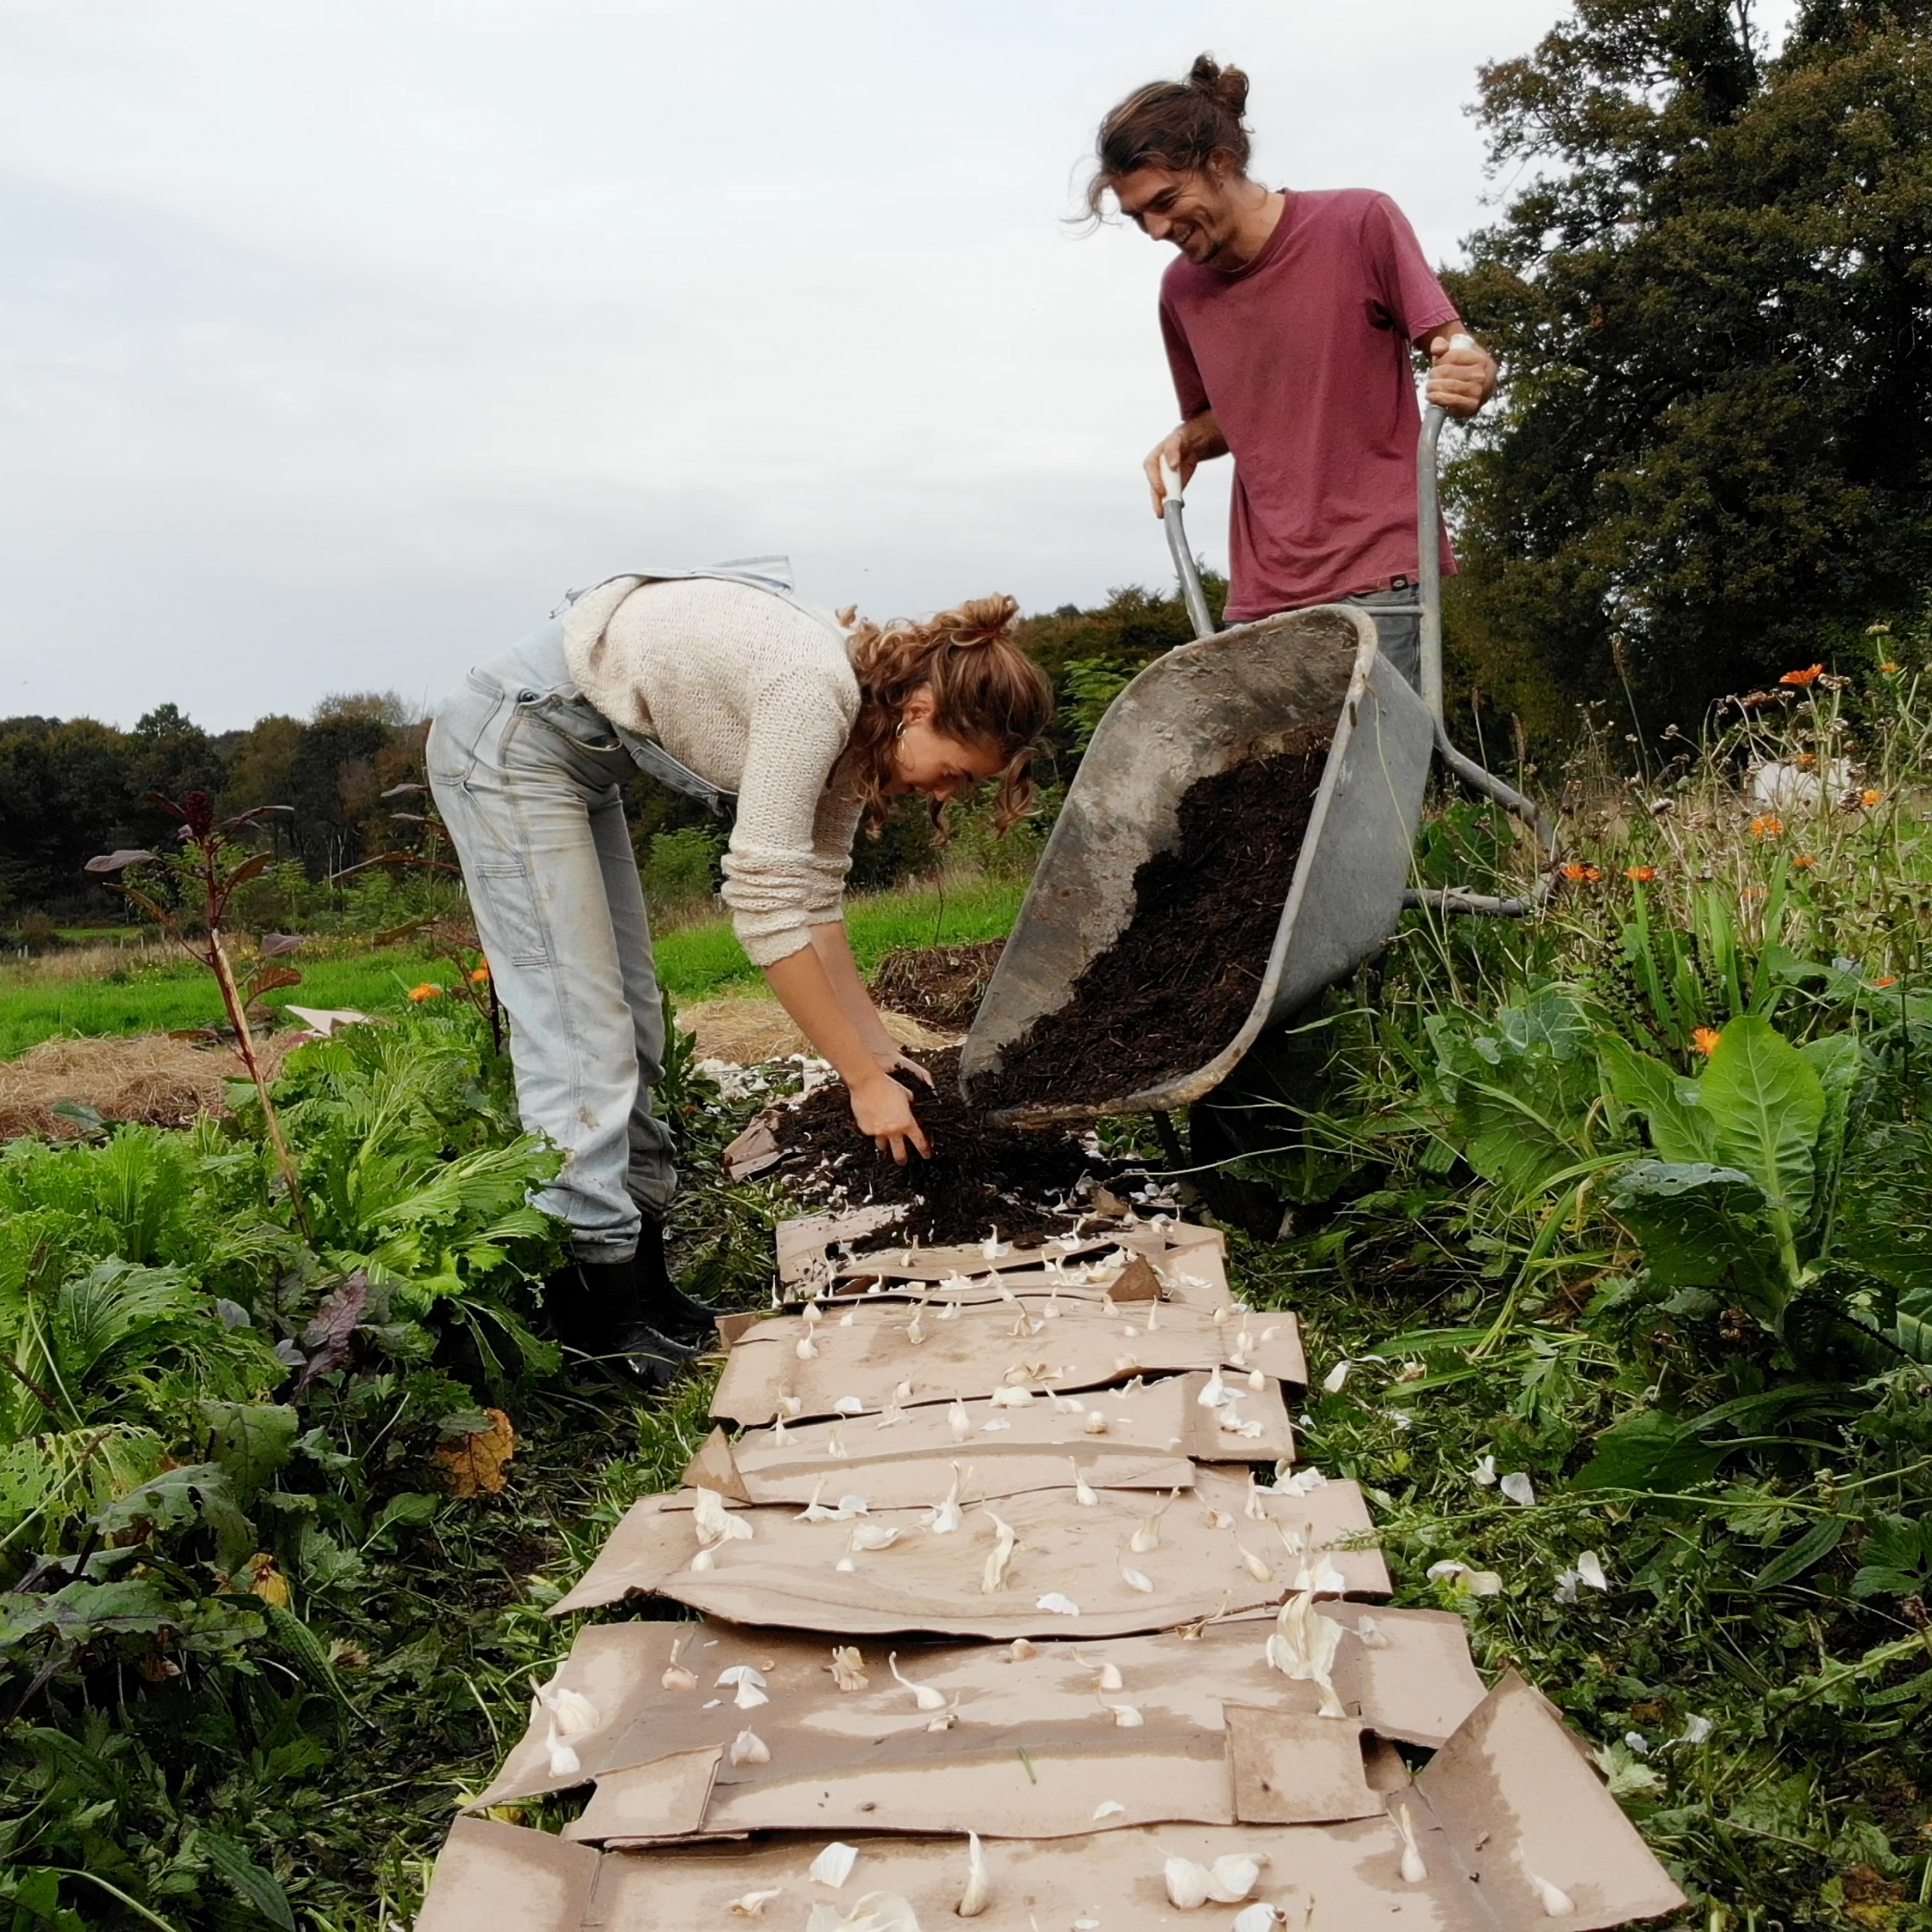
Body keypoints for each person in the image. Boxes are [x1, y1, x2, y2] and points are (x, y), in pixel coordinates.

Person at [427, 563, 1054, 1389]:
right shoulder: (813, 696)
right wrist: (858, 1081)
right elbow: (762, 910)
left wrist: (879, 1049)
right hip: (516, 742)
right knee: (583, 1035)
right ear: (920, 709)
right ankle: (596, 1327)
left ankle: (644, 1291)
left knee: (636, 1025)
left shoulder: (856, 734)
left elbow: (816, 903)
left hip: (582, 761)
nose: (950, 791)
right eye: (958, 770)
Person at [1086, 54, 1500, 683]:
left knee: (1374, 773)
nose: (1154, 229)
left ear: (1221, 162)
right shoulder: (1181, 292)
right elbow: (1228, 415)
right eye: (1137, 214)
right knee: (1273, 781)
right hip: (1260, 597)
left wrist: (1472, 373)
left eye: (1165, 201)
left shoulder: (1358, 223)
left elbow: (1455, 347)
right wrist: (1190, 438)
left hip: (1377, 573)